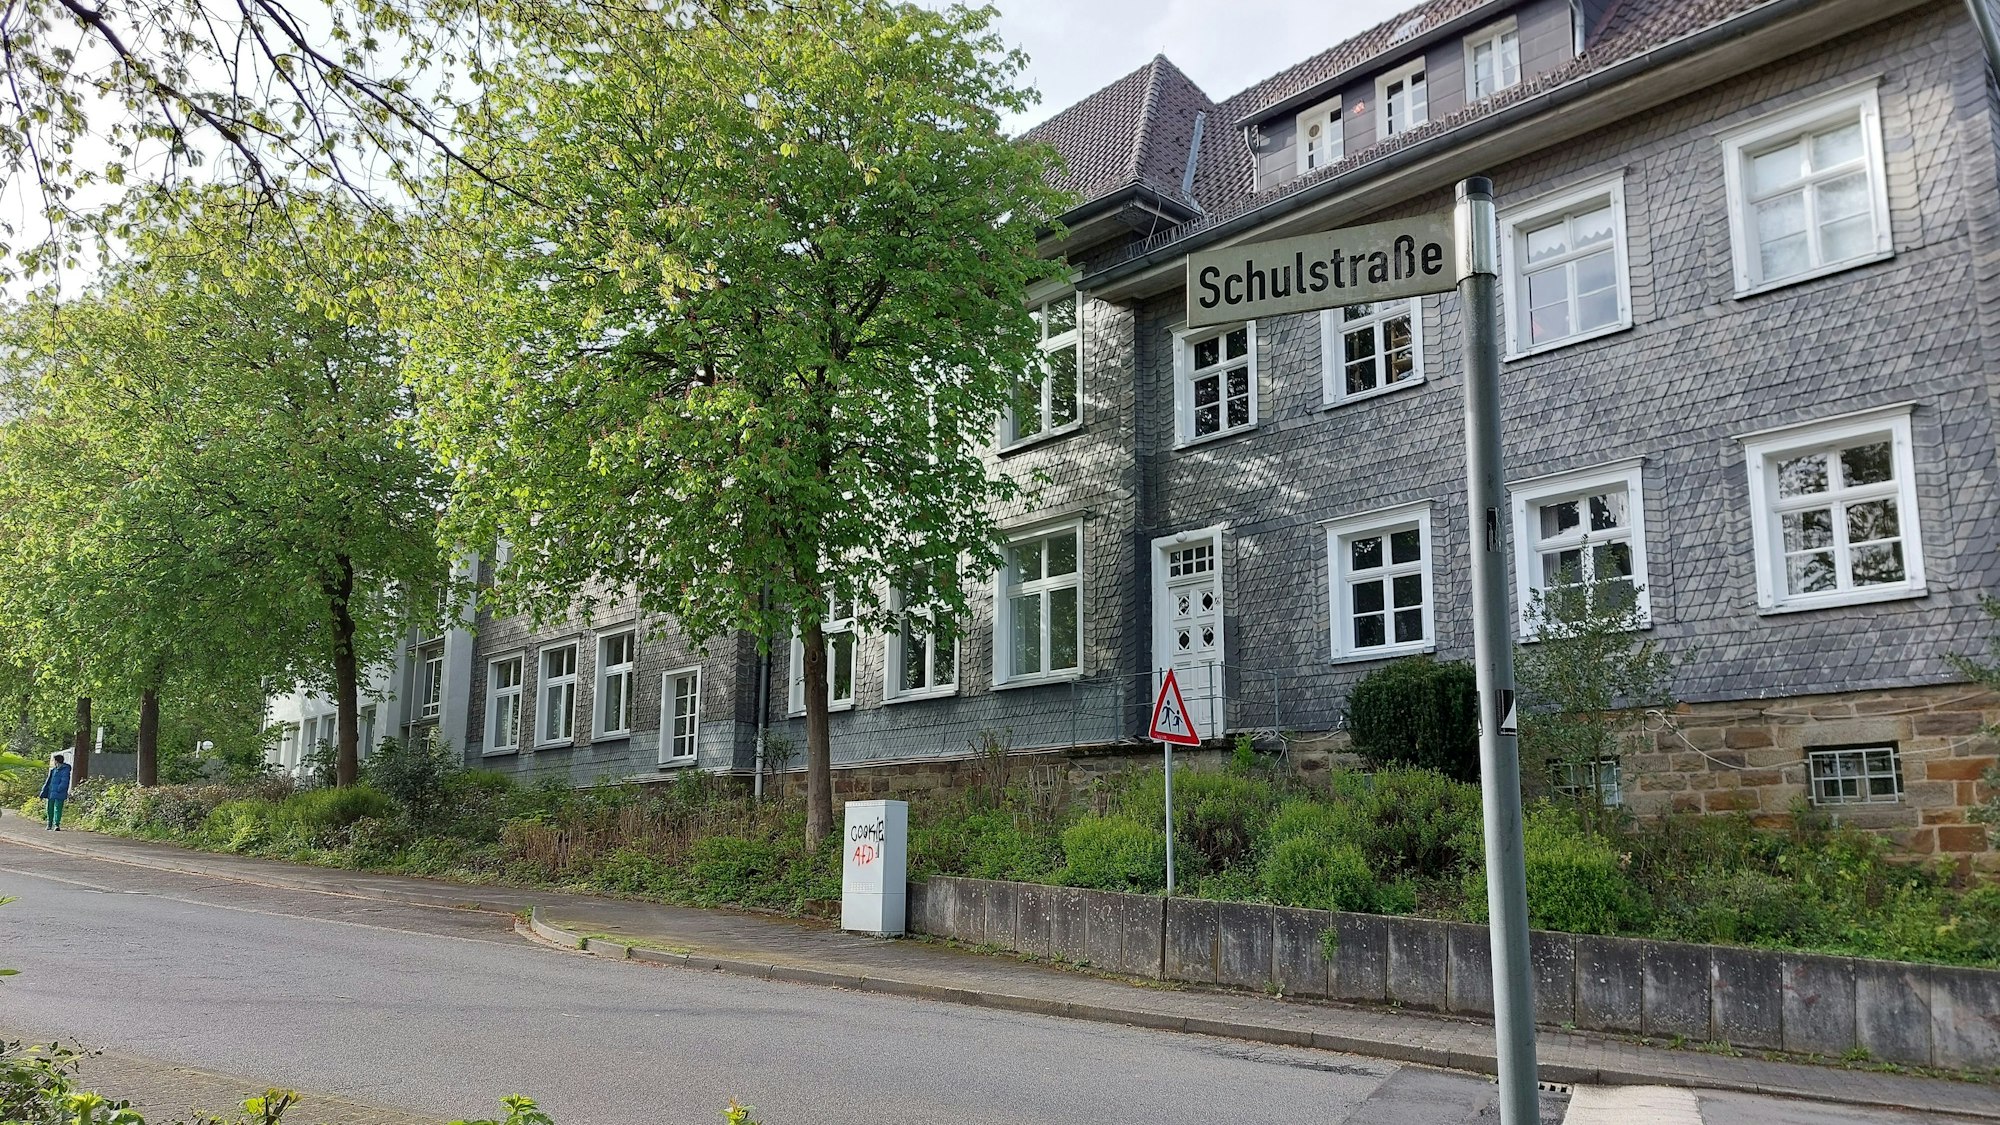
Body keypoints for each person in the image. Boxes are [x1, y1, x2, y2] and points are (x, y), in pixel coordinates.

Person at [39, 753, 71, 831]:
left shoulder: (65, 770)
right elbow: (48, 781)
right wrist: (43, 791)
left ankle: (56, 824)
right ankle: (49, 824)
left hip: (59, 792)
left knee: (58, 808)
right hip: (51, 792)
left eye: (54, 760)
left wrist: (59, 789)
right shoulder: (53, 770)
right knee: (49, 808)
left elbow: (65, 781)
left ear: (57, 761)